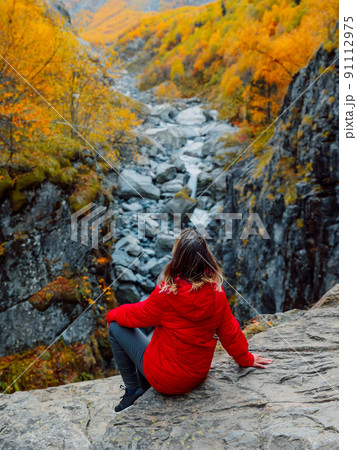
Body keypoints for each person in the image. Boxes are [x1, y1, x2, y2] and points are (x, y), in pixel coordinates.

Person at [106, 228, 273, 414]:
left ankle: (133, 391)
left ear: (177, 259)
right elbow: (231, 334)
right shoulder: (217, 294)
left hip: (165, 381)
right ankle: (142, 385)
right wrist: (246, 359)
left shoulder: (166, 294)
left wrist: (111, 315)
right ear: (206, 258)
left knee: (116, 328)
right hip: (196, 376)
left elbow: (135, 316)